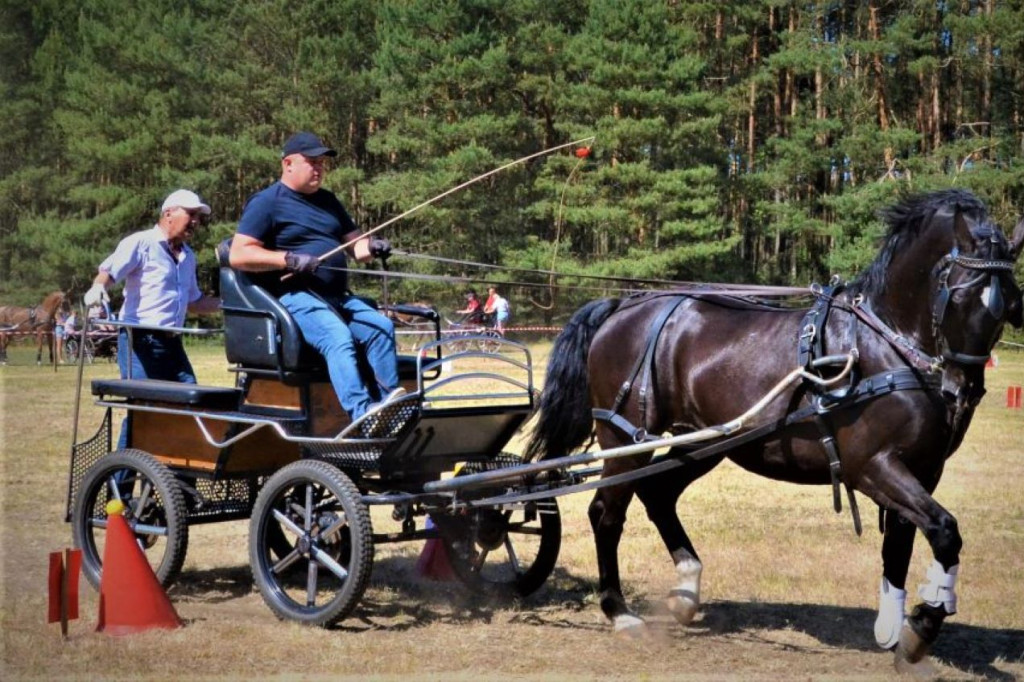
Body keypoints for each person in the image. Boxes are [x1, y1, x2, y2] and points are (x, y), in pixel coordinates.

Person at [229, 131, 403, 428]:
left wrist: (373, 246)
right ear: (288, 164)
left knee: (381, 327)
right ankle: (362, 416)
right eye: (312, 162)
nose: (319, 168)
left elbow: (357, 248)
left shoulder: (329, 201)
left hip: (337, 297)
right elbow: (238, 255)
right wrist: (288, 259)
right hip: (295, 297)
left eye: (322, 163)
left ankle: (389, 407)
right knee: (338, 338)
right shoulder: (267, 202)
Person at [84, 189, 221, 449]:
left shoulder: (188, 256)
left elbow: (194, 302)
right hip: (139, 342)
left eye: (198, 217)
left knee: (190, 406)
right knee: (144, 411)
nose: (195, 222)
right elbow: (109, 271)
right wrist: (98, 287)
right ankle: (121, 484)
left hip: (172, 345)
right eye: (191, 214)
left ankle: (178, 484)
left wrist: (231, 303)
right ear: (169, 214)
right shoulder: (141, 242)